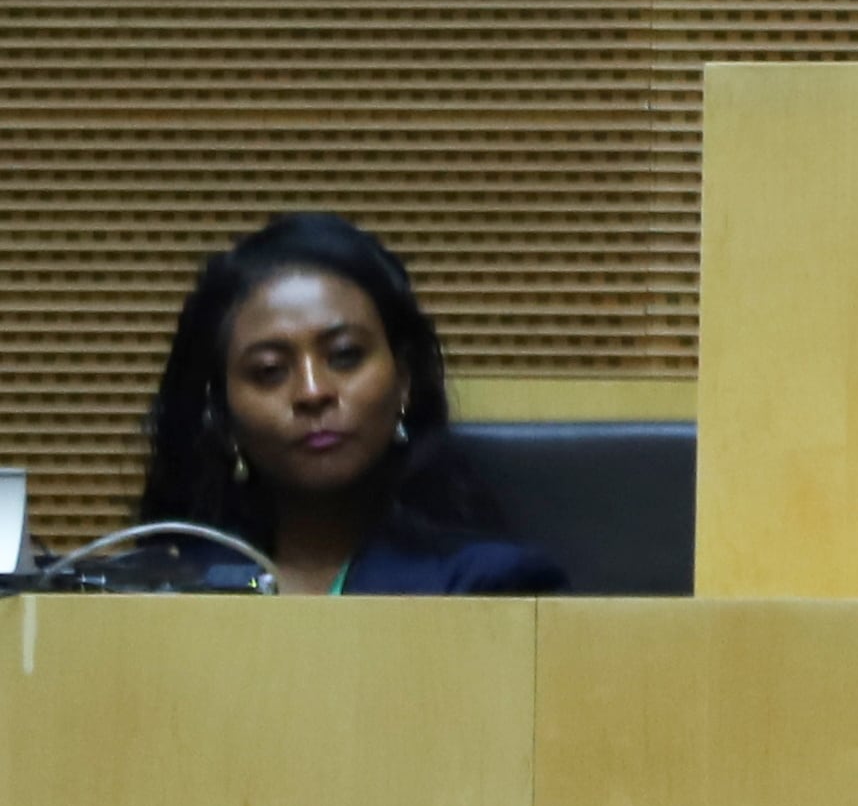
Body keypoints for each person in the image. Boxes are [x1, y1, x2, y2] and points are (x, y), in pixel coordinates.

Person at [135, 213, 563, 595]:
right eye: (269, 371)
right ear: (222, 413)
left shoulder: (488, 587)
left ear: (405, 380)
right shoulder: (171, 587)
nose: (312, 391)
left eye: (345, 356)